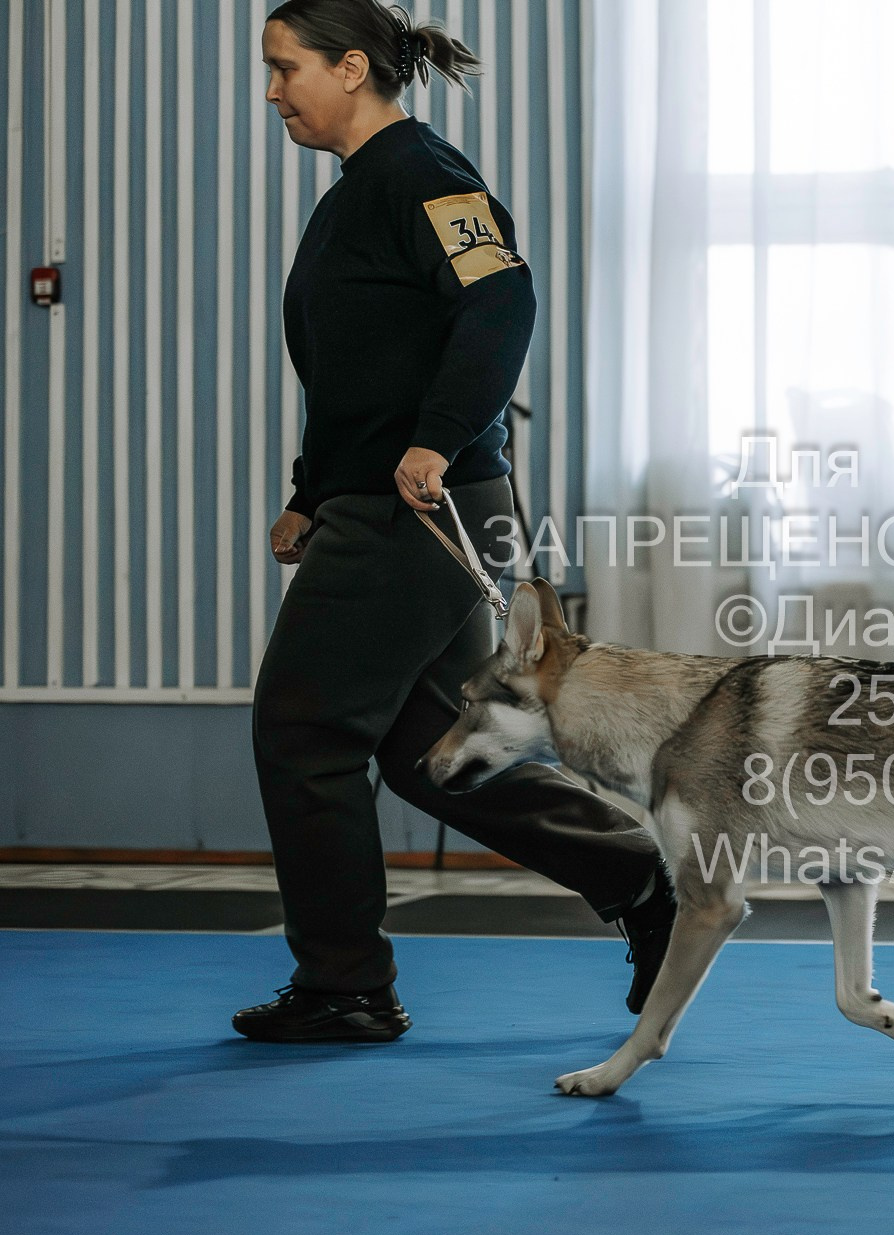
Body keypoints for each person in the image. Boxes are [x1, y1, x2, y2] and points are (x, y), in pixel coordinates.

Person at [236, 0, 675, 1042]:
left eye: (284, 68)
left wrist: (436, 436)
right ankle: (640, 875)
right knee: (432, 747)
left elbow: (499, 305)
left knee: (302, 730)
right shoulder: (358, 195)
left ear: (350, 69)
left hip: (419, 507)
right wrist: (311, 488)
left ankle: (345, 983)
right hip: (389, 501)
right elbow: (360, 372)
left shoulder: (425, 176)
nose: (271, 92)